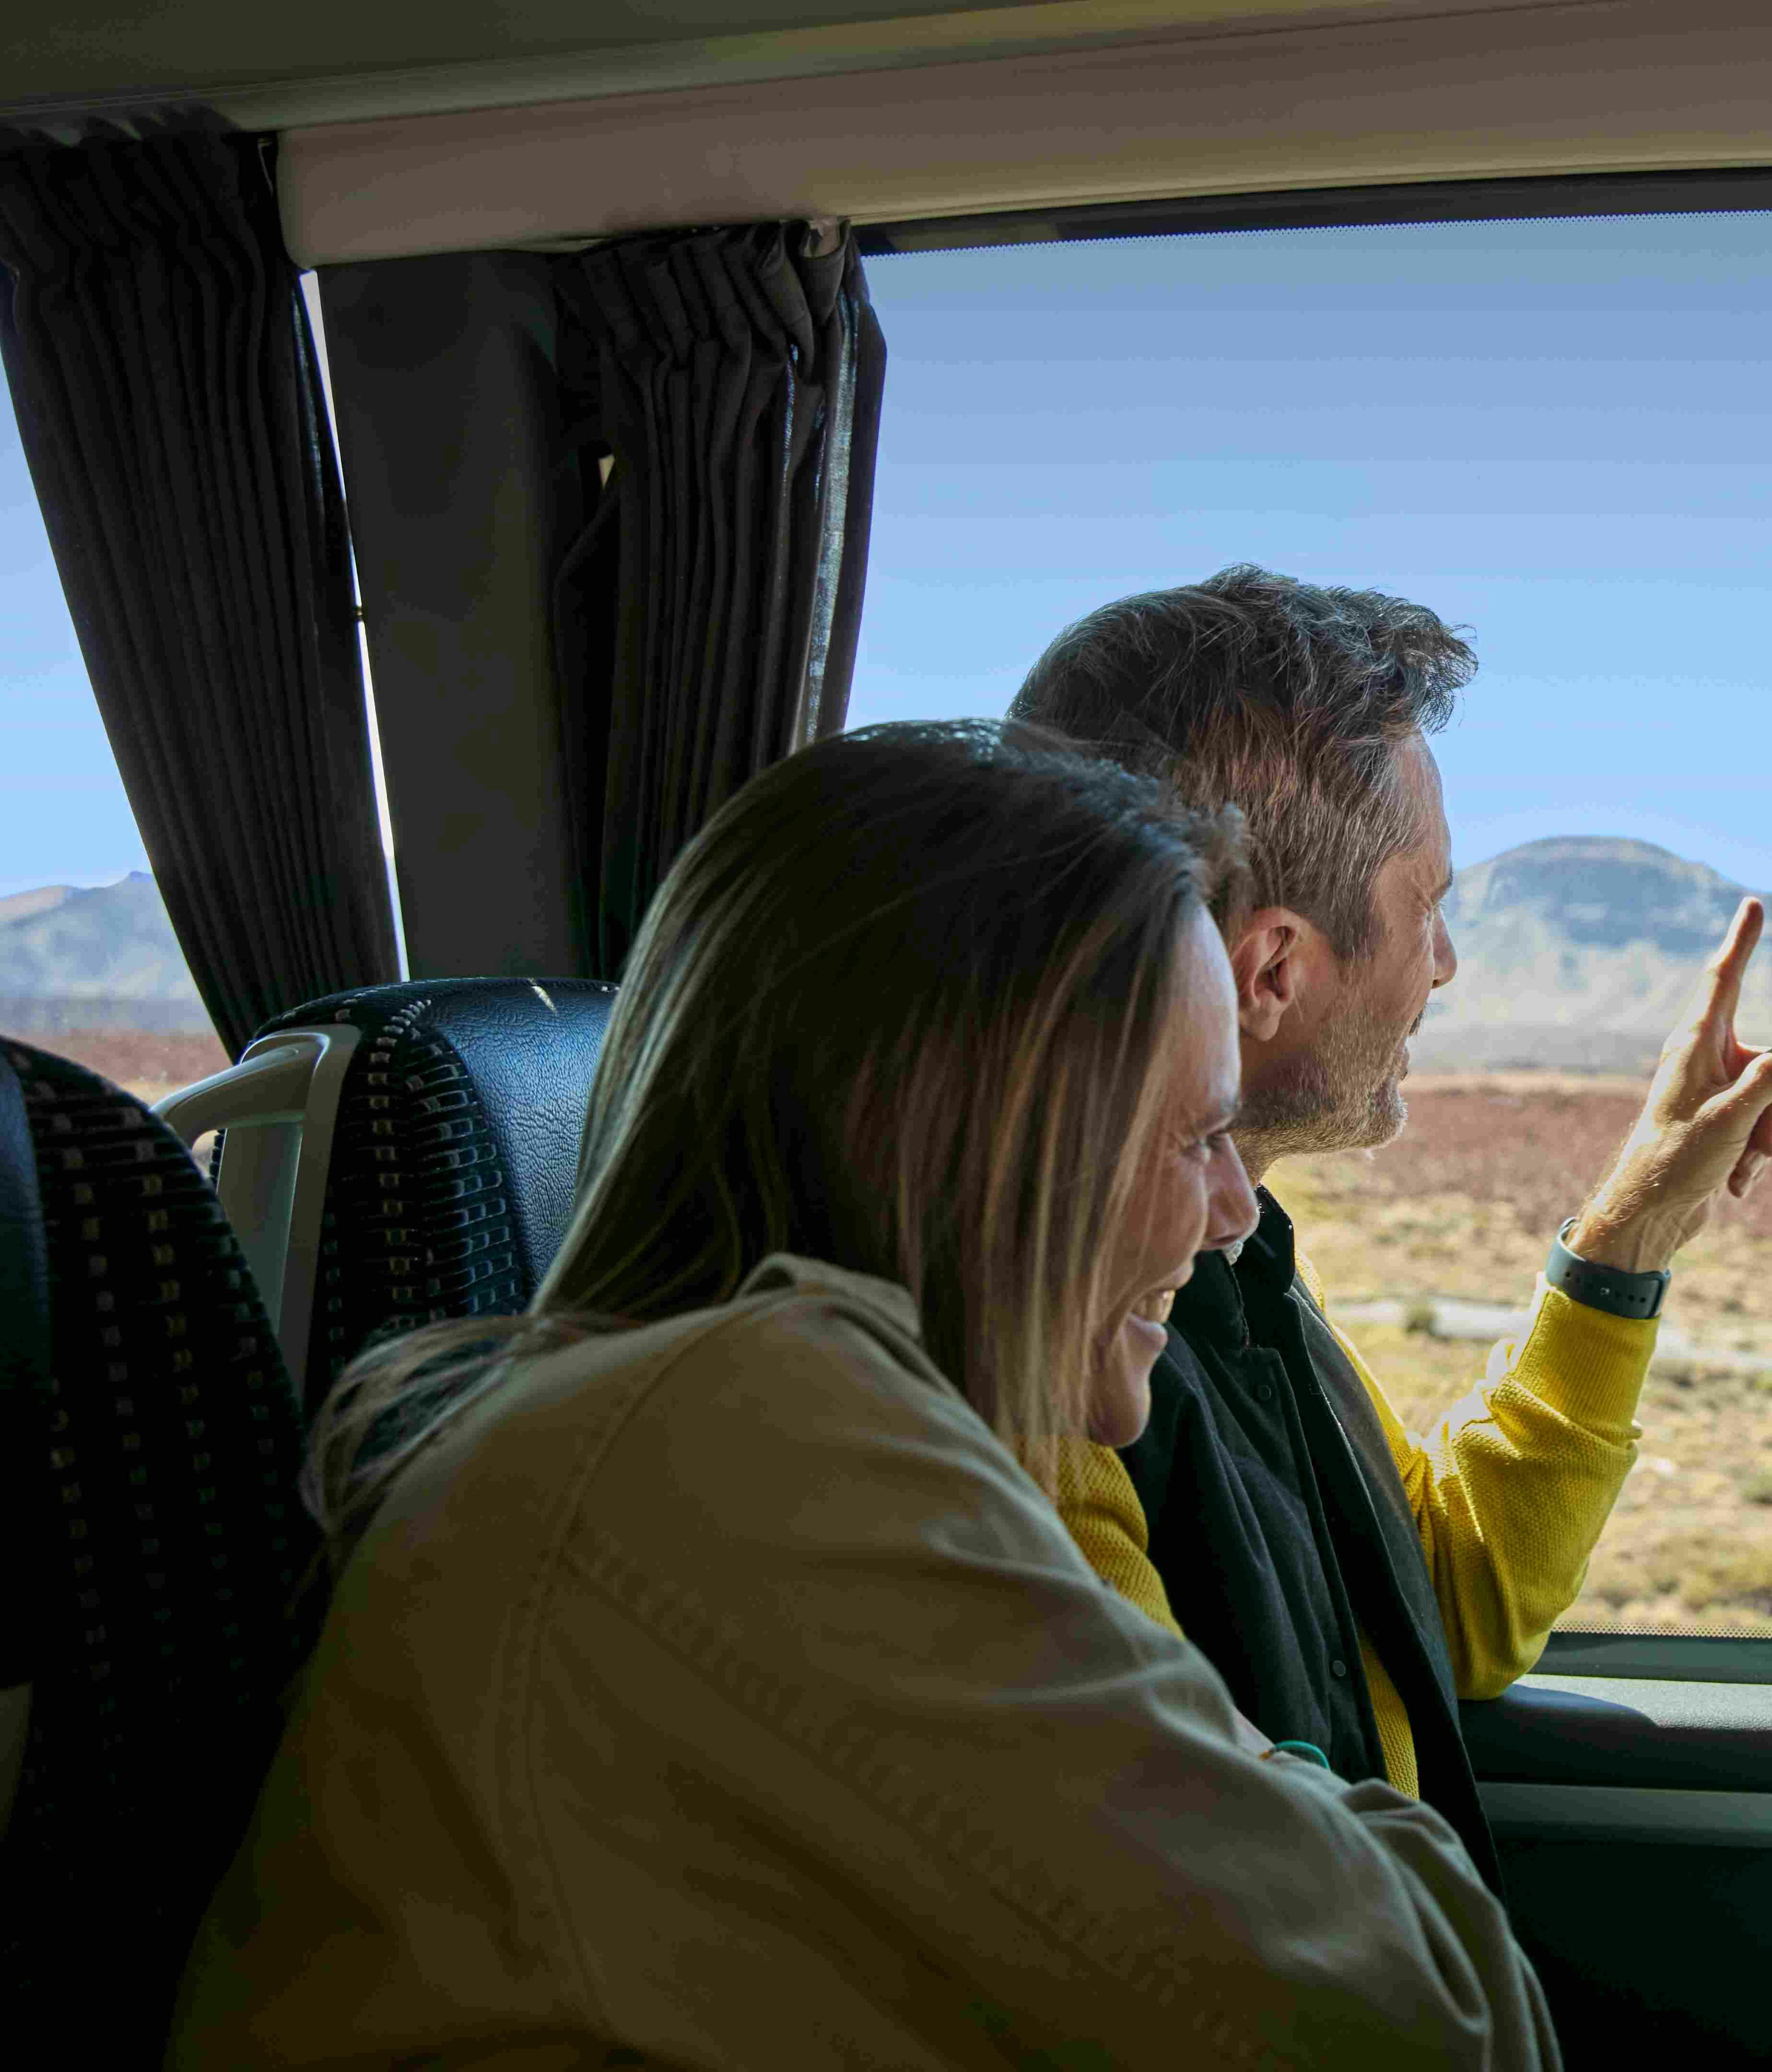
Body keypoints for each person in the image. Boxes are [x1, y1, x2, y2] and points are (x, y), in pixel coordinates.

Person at [171, 721, 1557, 2069]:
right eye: (1194, 1133)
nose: (1231, 1208)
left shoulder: (702, 1428)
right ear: (982, 1148)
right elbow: (1439, 2018)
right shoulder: (758, 1456)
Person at [1012, 567, 1772, 1874]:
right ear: (1274, 969)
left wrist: (1627, 1242)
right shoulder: (1055, 1387)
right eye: (1425, 905)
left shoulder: (1238, 1252)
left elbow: (1426, 1606)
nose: (1443, 964)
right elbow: (1221, 1900)